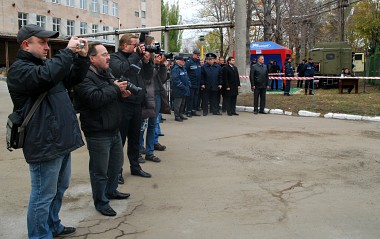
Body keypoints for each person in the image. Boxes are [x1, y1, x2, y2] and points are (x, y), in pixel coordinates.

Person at [7, 24, 90, 238]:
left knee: (58, 190)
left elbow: (72, 78)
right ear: (26, 45)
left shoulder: (48, 66)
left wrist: (81, 58)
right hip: (43, 142)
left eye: (48, 42)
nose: (47, 47)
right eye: (42, 42)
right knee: (43, 195)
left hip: (59, 140)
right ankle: (39, 235)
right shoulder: (20, 69)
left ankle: (53, 225)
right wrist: (68, 51)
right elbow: (45, 76)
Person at [74, 42, 131, 217]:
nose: (108, 57)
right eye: (104, 54)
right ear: (92, 58)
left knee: (115, 165)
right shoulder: (83, 76)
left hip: (113, 128)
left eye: (108, 54)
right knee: (100, 171)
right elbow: (94, 98)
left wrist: (121, 95)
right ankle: (101, 201)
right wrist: (115, 88)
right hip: (98, 131)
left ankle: (111, 191)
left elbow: (110, 97)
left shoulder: (106, 73)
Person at [109, 33, 152, 180]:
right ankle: (117, 171)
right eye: (134, 45)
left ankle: (135, 166)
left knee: (135, 138)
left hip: (136, 104)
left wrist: (146, 62)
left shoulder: (137, 58)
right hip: (123, 104)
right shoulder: (115, 57)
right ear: (125, 45)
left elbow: (147, 76)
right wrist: (136, 56)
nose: (137, 48)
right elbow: (121, 71)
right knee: (120, 140)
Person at [171, 55, 191, 122]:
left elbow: (187, 77)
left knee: (183, 103)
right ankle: (177, 116)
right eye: (182, 60)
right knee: (178, 104)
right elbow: (175, 80)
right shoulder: (175, 69)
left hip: (184, 89)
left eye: (184, 60)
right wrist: (182, 86)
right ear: (178, 61)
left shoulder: (183, 68)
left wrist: (188, 83)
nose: (183, 62)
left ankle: (180, 114)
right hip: (178, 89)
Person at [185, 49, 202, 117]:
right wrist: (188, 81)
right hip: (191, 83)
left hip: (197, 83)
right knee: (190, 98)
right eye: (197, 55)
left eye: (199, 55)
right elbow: (185, 72)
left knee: (195, 98)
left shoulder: (198, 62)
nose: (198, 56)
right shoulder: (189, 62)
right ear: (193, 54)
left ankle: (193, 110)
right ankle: (188, 111)